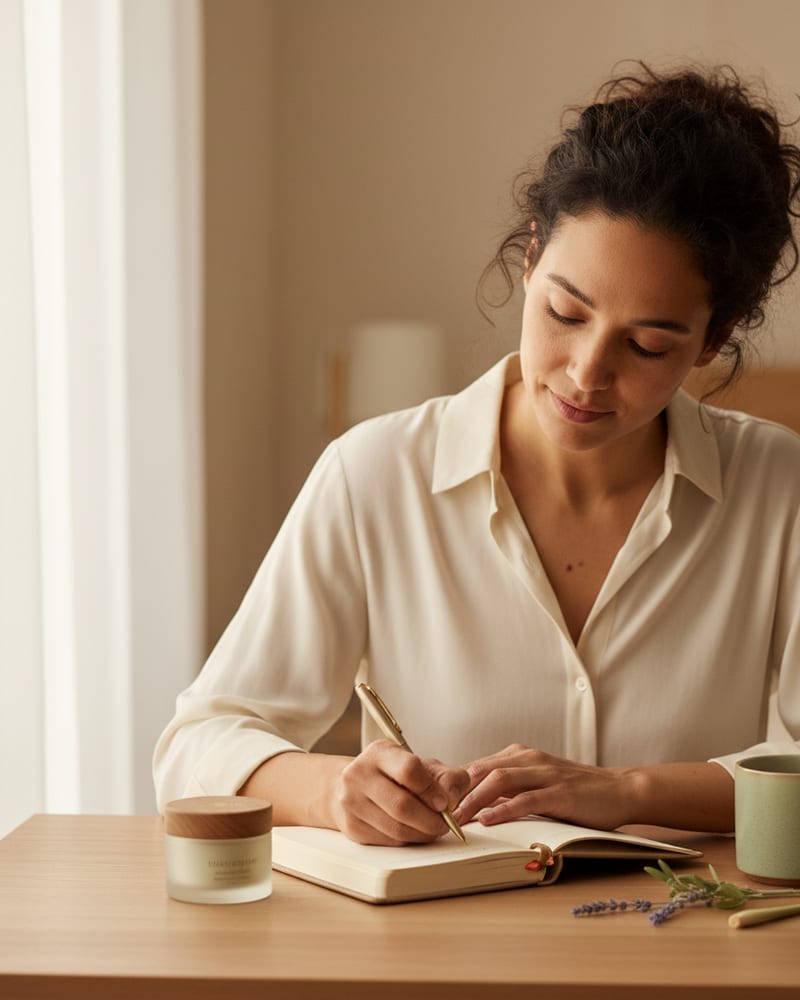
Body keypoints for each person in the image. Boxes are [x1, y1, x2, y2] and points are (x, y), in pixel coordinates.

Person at [154, 62, 800, 847]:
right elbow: (197, 745)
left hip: (688, 947)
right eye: (565, 311)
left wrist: (623, 791)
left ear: (714, 338)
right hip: (437, 953)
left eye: (646, 343)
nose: (586, 373)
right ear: (529, 261)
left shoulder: (778, 489)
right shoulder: (375, 475)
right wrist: (333, 790)